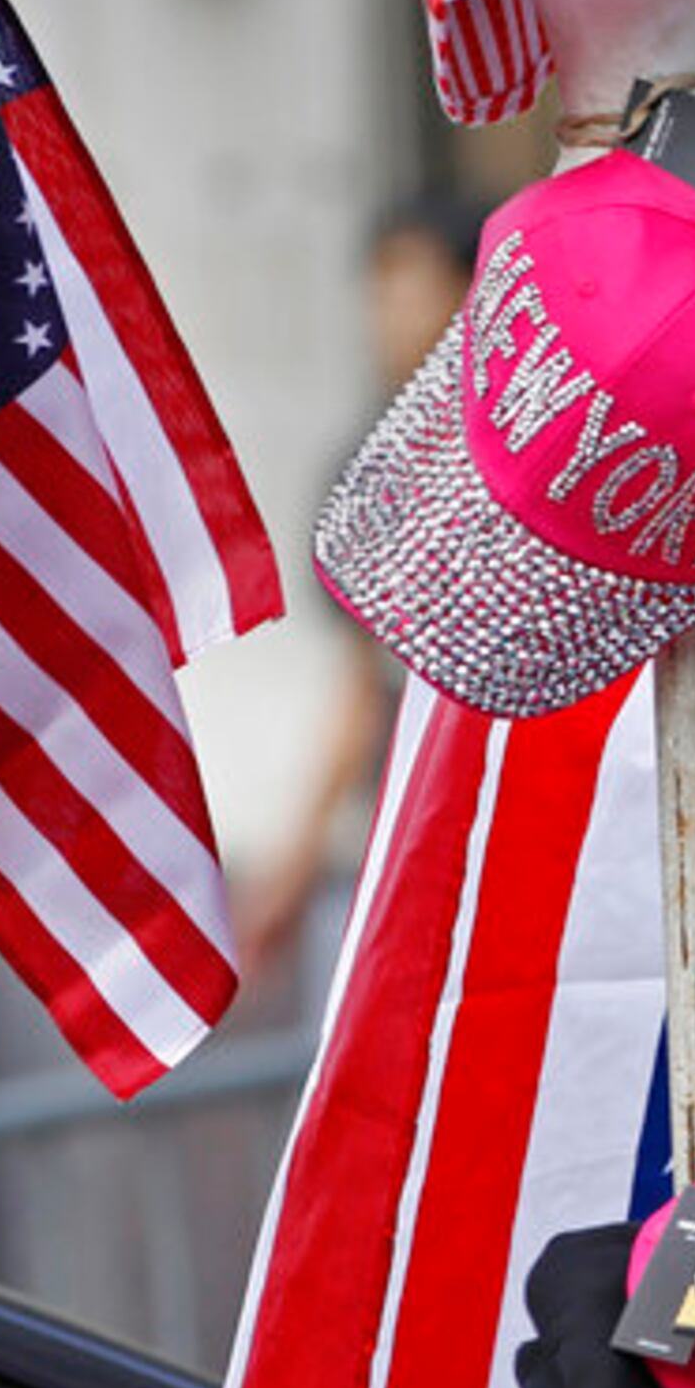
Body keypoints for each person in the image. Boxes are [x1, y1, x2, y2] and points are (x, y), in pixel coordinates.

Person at [229, 189, 484, 990]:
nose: (388, 315)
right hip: (403, 830)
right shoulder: (372, 472)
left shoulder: (529, 449)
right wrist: (295, 865)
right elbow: (364, 687)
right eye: (378, 291)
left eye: (407, 286)